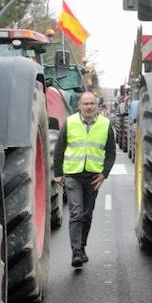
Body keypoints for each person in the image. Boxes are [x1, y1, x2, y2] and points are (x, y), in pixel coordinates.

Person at [54, 90, 114, 268]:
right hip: (73, 176)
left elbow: (110, 152)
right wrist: (58, 172)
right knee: (76, 213)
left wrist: (104, 173)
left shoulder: (105, 124)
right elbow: (59, 148)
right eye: (85, 104)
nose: (88, 107)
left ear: (97, 106)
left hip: (93, 177)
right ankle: (76, 253)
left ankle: (82, 246)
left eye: (92, 104)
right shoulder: (70, 122)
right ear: (79, 106)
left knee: (87, 215)